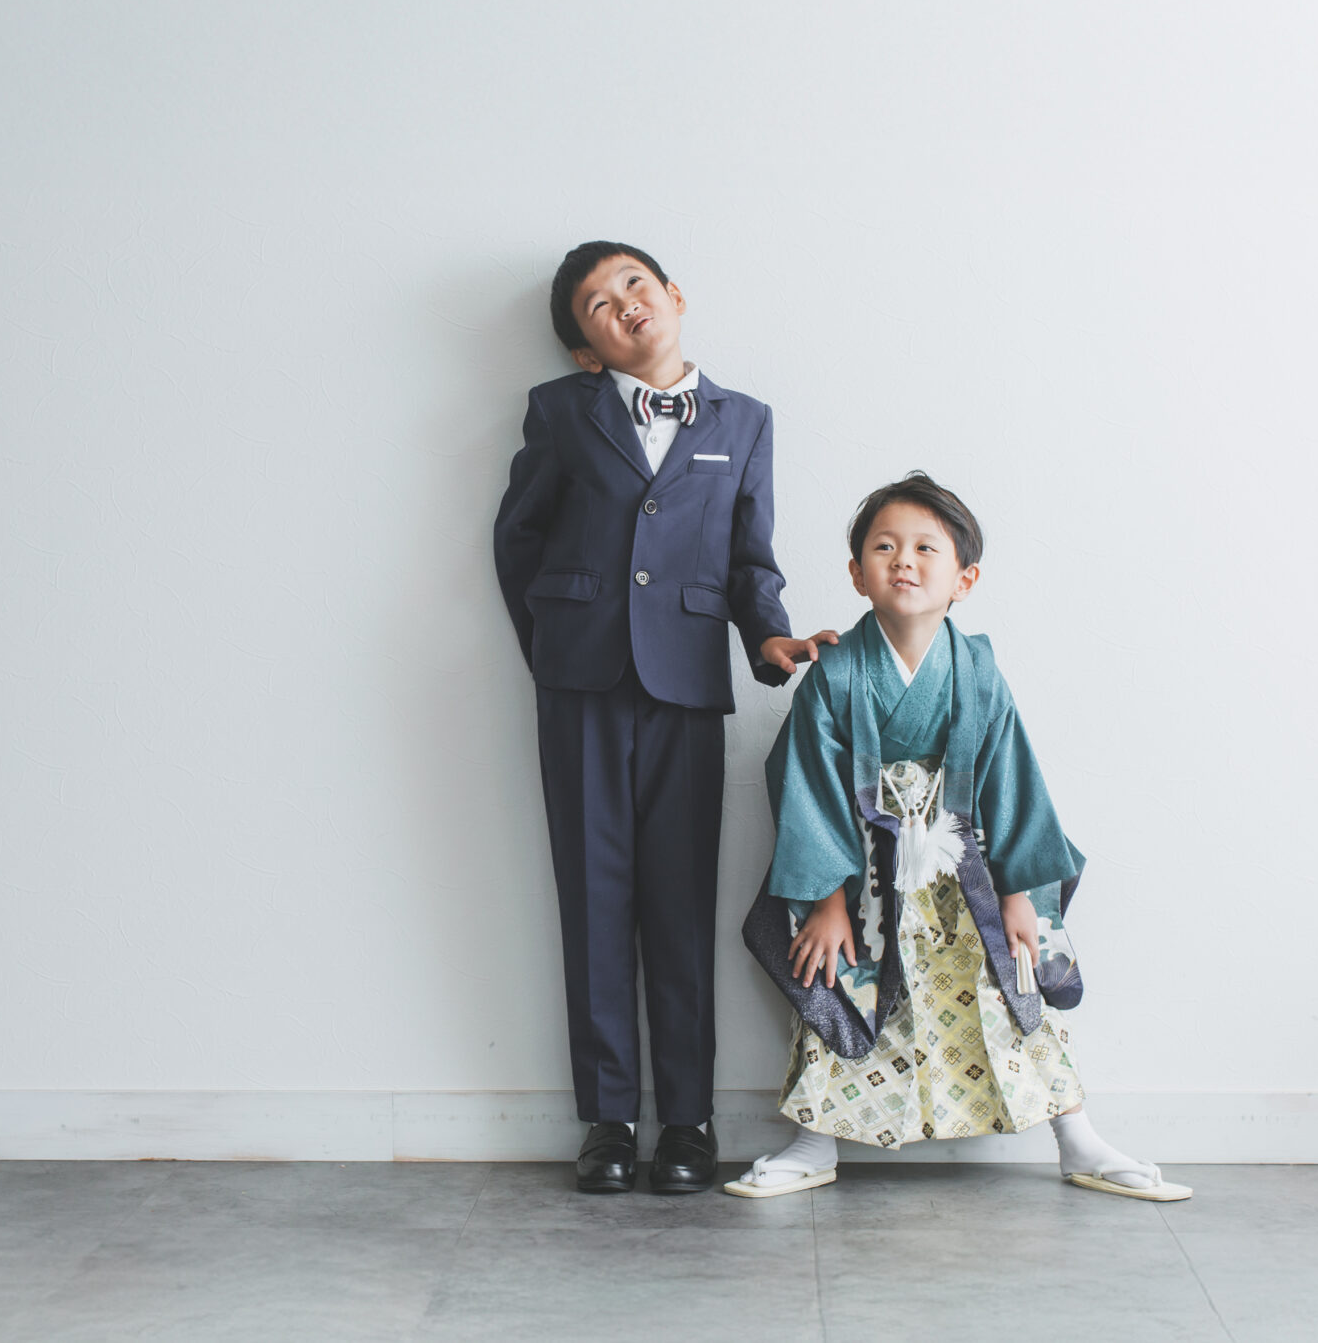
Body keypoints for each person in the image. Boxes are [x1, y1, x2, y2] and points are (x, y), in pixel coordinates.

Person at [725, 473, 1190, 1202]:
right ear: (857, 573)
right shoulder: (835, 674)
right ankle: (814, 1142)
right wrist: (826, 900)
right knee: (842, 983)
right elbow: (805, 781)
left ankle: (1077, 1137)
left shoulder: (977, 670)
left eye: (925, 548)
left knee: (1010, 982)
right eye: (884, 547)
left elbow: (1012, 778)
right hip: (863, 877)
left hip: (961, 872)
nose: (903, 561)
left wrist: (1019, 890)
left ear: (964, 579)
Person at [495, 241, 838, 1195]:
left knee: (680, 906)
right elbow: (517, 539)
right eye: (597, 306)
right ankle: (608, 1120)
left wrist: (769, 638)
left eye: (634, 285)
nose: (623, 305)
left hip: (686, 683)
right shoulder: (560, 412)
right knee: (593, 899)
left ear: (675, 295)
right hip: (581, 687)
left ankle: (687, 1119)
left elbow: (749, 559)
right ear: (586, 352)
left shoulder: (745, 420)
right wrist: (555, 647)